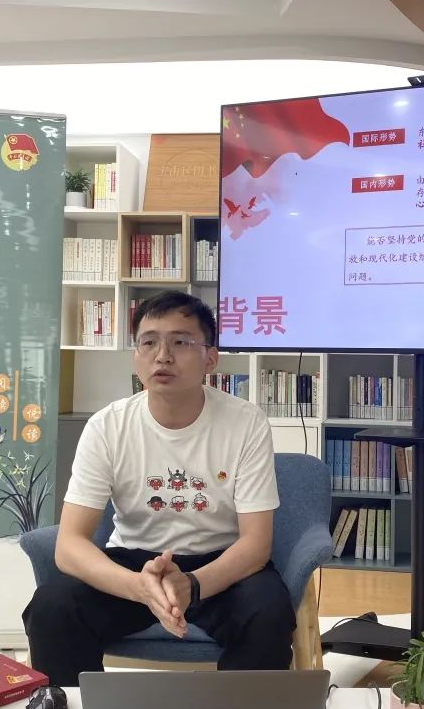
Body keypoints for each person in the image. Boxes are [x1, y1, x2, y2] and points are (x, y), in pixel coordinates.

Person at [23, 291, 296, 685]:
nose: (162, 356)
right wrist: (140, 587)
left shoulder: (245, 422)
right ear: (136, 355)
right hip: (133, 565)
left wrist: (192, 585)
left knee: (268, 610)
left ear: (211, 358)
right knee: (53, 607)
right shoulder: (107, 426)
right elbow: (69, 546)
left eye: (180, 342)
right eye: (149, 342)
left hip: (218, 566)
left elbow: (255, 544)